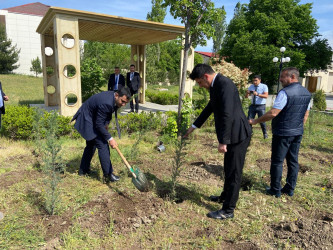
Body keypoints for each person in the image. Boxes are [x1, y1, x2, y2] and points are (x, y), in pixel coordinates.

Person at [184, 64, 252, 220]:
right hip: (233, 134)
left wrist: (223, 141)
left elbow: (227, 114)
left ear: (205, 77)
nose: (200, 86)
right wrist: (194, 126)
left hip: (238, 134)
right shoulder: (216, 85)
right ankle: (224, 197)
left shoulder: (225, 84)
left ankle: (228, 210)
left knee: (234, 172)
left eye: (199, 82)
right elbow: (210, 108)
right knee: (228, 169)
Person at [249, 67, 311, 197]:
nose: (280, 79)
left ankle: (275, 190)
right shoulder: (306, 93)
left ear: (292, 77)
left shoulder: (285, 92)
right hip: (297, 132)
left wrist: (255, 121)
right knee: (293, 161)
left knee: (277, 161)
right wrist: (298, 127)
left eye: (283, 77)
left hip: (283, 133)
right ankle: (289, 189)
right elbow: (306, 113)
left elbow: (273, 112)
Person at [72, 87, 131, 183]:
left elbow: (107, 114)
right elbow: (98, 124)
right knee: (103, 145)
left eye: (126, 103)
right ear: (117, 95)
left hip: (92, 118)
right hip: (87, 119)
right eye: (122, 101)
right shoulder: (106, 102)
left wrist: (106, 123)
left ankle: (83, 170)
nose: (123, 105)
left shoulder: (113, 98)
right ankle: (108, 175)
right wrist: (110, 138)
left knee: (91, 144)